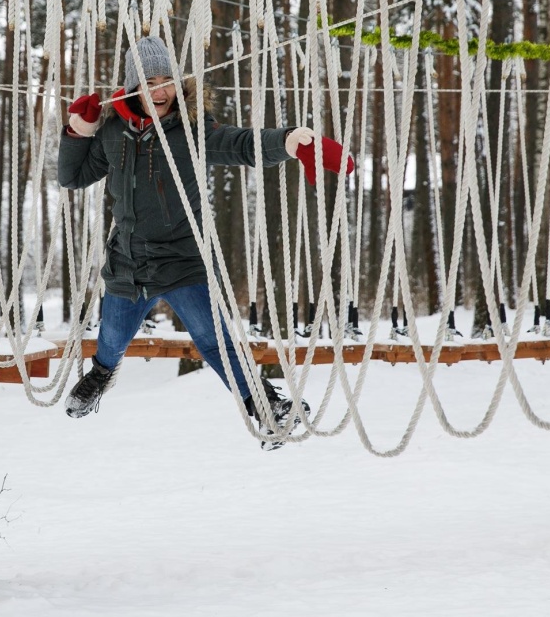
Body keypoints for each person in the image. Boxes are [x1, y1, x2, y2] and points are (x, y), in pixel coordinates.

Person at [56, 36, 354, 449]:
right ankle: (101, 377)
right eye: (150, 82)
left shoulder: (192, 129)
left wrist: (290, 141)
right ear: (132, 87)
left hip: (183, 260)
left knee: (214, 339)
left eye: (167, 80)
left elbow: (240, 144)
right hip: (127, 262)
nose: (160, 91)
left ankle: (266, 406)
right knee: (111, 339)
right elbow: (72, 178)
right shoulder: (112, 132)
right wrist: (77, 132)